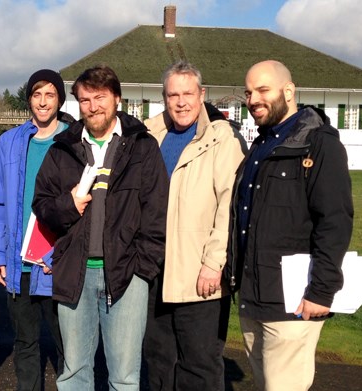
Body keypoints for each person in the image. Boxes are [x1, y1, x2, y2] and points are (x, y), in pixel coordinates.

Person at [33, 65, 168, 390]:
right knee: (74, 373)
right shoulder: (62, 149)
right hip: (75, 274)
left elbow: (157, 212)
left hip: (126, 275)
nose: (92, 106)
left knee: (123, 376)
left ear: (117, 99)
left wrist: (142, 269)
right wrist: (70, 205)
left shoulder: (142, 147)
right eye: (85, 100)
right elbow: (42, 205)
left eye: (100, 98)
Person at [228, 60, 354, 391]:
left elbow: (336, 220)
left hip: (294, 304)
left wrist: (322, 291)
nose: (253, 98)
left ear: (289, 90)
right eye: (248, 92)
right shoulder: (260, 145)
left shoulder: (319, 144)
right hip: (253, 297)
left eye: (263, 90)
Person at [143, 60, 247, 390]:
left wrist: (213, 263)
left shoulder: (221, 139)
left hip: (199, 273)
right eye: (173, 94)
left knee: (199, 365)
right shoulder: (149, 136)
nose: (181, 101)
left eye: (188, 93)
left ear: (202, 95)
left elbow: (228, 207)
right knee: (159, 359)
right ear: (164, 97)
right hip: (154, 271)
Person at [0, 69, 74, 390]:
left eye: (50, 94)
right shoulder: (10, 142)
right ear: (29, 99)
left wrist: (62, 254)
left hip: (58, 266)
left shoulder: (72, 140)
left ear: (59, 100)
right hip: (18, 263)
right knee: (25, 343)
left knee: (68, 345)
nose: (42, 101)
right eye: (37, 94)